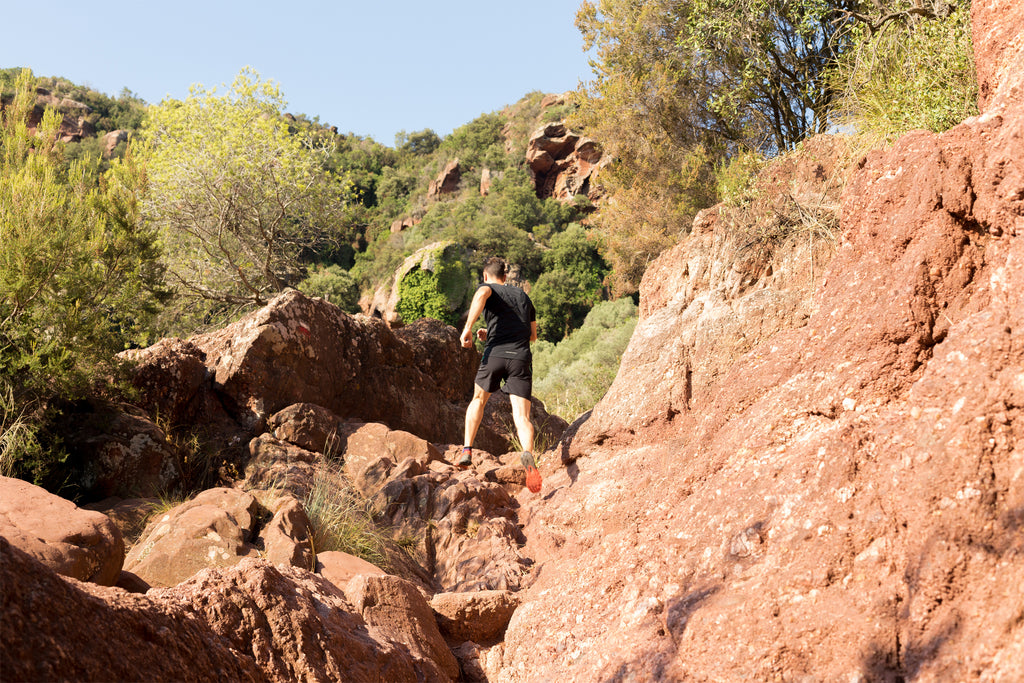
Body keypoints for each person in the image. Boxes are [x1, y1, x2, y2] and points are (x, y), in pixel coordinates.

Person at [459, 257, 542, 493]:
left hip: (495, 355)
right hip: (520, 358)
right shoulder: (524, 297)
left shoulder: (487, 288)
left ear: (486, 276)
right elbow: (532, 336)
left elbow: (481, 296)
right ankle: (528, 457)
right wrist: (490, 331)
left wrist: (468, 328)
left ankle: (466, 450)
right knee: (522, 417)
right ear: (505, 277)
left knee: (478, 400)